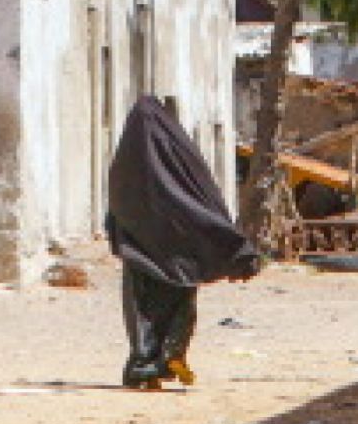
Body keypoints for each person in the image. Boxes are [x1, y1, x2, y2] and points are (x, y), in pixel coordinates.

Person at [105, 97, 262, 389]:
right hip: (178, 252)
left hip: (141, 253)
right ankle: (168, 357)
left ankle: (143, 364)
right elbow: (203, 198)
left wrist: (121, 238)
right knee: (178, 303)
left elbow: (116, 207)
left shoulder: (125, 165)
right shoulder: (179, 159)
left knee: (142, 309)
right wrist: (231, 245)